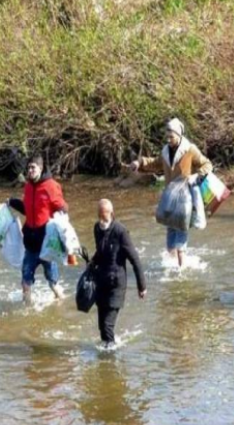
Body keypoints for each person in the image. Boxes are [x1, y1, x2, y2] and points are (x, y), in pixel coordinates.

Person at [128, 118, 212, 267]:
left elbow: (207, 164)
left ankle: (181, 271)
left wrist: (196, 176)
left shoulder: (190, 150)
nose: (168, 139)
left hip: (185, 197)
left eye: (171, 136)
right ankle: (173, 268)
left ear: (179, 135)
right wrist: (139, 162)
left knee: (181, 236)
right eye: (167, 136)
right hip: (169, 197)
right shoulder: (165, 151)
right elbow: (155, 164)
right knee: (170, 241)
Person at [8, 155, 67, 304]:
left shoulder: (51, 186)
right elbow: (27, 210)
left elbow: (63, 208)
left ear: (40, 168)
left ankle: (63, 306)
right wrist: (12, 202)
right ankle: (28, 314)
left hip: (47, 245)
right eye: (28, 168)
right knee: (25, 283)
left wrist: (60, 224)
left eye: (33, 167)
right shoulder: (28, 186)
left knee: (53, 283)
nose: (30, 170)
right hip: (31, 246)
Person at [91, 199, 147, 346]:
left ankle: (110, 360)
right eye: (99, 216)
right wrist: (91, 264)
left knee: (107, 325)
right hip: (101, 282)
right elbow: (100, 252)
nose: (102, 220)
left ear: (112, 214)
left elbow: (134, 259)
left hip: (116, 284)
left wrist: (142, 286)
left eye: (104, 216)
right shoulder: (97, 228)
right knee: (102, 327)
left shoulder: (120, 231)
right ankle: (107, 350)